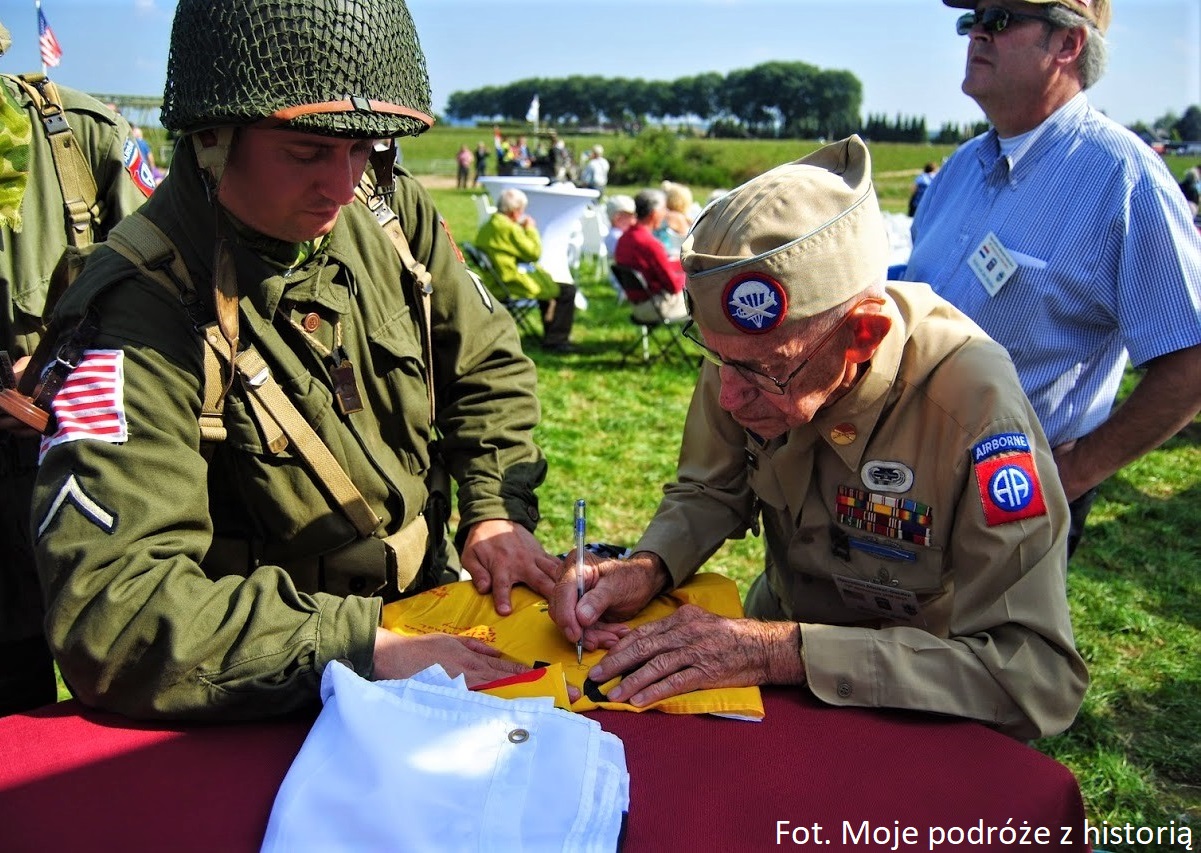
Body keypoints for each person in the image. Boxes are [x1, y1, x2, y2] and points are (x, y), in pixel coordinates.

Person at [27, 0, 558, 721]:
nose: (341, 186)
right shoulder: (137, 308)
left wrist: (493, 510)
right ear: (213, 137)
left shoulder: (386, 211)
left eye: (363, 149)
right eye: (307, 152)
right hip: (271, 683)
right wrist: (362, 645)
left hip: (428, 613)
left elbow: (486, 360)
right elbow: (117, 613)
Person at [551, 136, 1088, 741]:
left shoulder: (975, 411)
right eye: (715, 357)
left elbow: (1036, 677)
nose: (728, 395)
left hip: (911, 702)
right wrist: (648, 567)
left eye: (763, 372)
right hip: (765, 651)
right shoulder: (748, 348)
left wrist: (786, 653)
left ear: (862, 336)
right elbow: (712, 489)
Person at [904, 0, 1201, 557]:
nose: (977, 36)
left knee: (992, 647)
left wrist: (1078, 470)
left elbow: (1189, 361)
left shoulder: (1124, 177)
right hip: (911, 479)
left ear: (1068, 45)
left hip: (1017, 498)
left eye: (1000, 20)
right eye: (973, 20)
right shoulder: (961, 167)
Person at [0, 22, 154, 716]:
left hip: (79, 474)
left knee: (127, 684)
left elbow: (176, 286)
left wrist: (74, 358)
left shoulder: (81, 137)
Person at [475, 187, 577, 352]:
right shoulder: (509, 228)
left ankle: (552, 334)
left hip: (495, 281)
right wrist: (530, 228)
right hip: (512, 282)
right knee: (566, 291)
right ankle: (557, 339)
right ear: (515, 211)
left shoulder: (488, 226)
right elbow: (534, 253)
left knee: (553, 290)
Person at [613, 189, 689, 322]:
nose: (666, 214)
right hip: (656, 307)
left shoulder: (624, 239)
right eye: (664, 210)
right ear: (654, 214)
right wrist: (690, 276)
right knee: (706, 298)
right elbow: (674, 286)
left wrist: (677, 265)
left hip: (636, 305)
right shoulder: (650, 243)